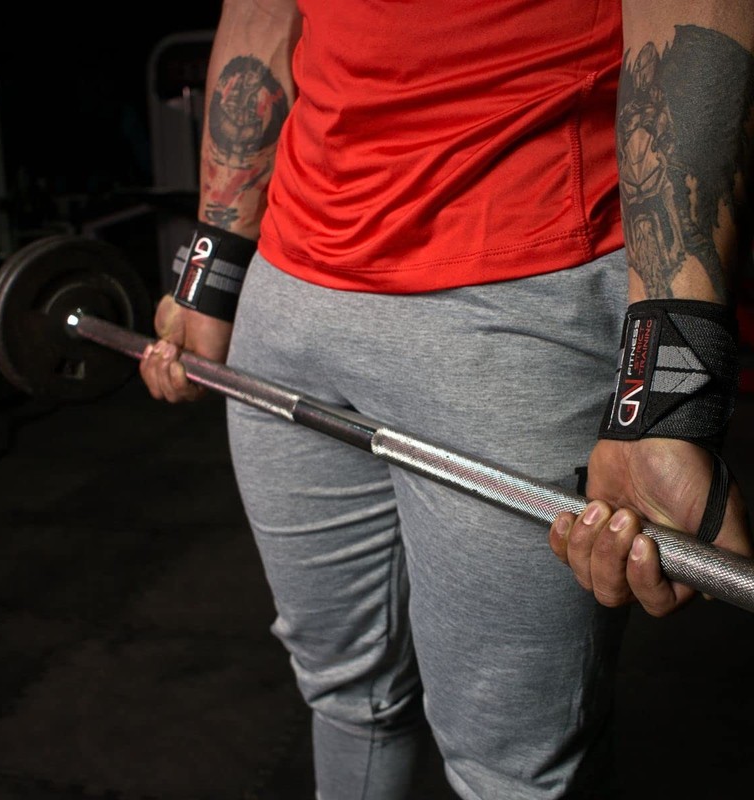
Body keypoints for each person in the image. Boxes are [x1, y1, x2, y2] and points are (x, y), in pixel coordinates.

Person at [140, 2, 754, 797]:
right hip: (290, 286)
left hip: (521, 297)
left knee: (514, 767)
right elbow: (259, 13)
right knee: (343, 691)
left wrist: (670, 400)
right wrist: (212, 266)